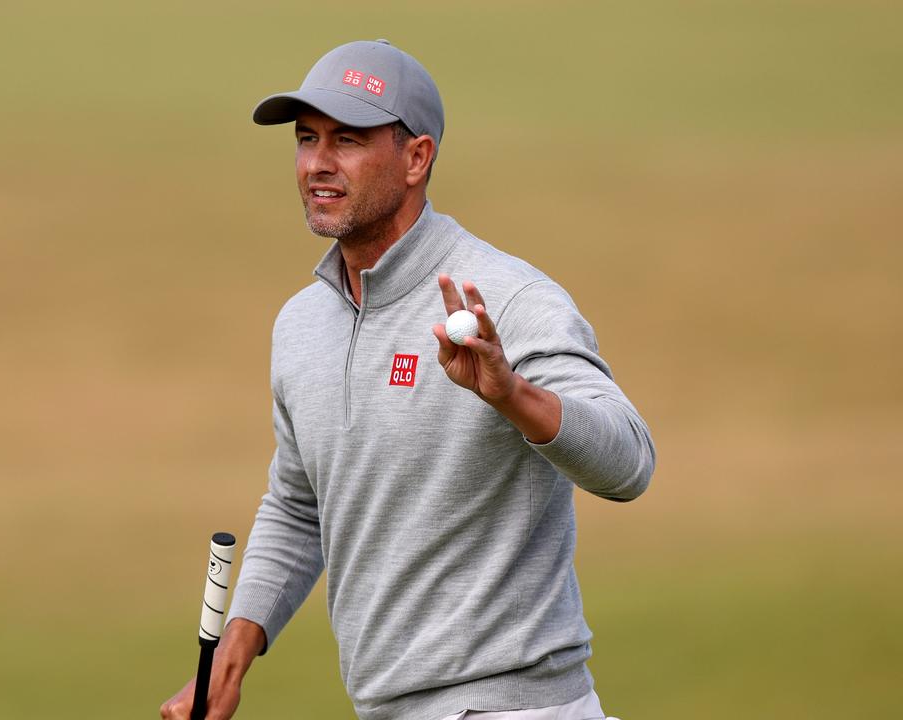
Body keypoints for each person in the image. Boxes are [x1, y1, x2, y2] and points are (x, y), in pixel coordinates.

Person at [160, 39, 654, 720]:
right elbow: (300, 505)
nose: (318, 165)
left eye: (349, 140)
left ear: (417, 158)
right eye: (307, 139)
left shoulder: (508, 298)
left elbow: (629, 462)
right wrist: (230, 661)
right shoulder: (302, 324)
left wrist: (512, 395)